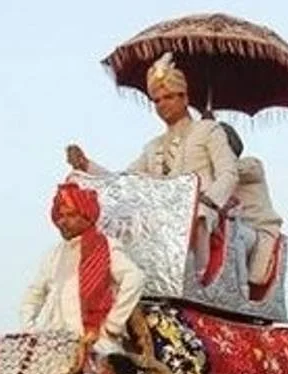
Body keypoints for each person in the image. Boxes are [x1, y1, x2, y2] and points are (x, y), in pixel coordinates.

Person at [67, 51, 239, 269]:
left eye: (169, 97)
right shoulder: (153, 147)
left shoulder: (207, 130)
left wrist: (210, 199)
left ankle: (197, 272)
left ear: (185, 98)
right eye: (157, 100)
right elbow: (124, 181)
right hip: (162, 214)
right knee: (119, 220)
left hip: (203, 209)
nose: (162, 105)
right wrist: (87, 166)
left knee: (197, 216)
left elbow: (229, 173)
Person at [19, 182, 145, 357]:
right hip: (54, 341)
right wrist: (29, 329)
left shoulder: (106, 246)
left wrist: (112, 325)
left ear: (86, 216)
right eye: (60, 216)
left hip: (95, 341)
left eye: (70, 215)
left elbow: (134, 278)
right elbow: (35, 293)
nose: (63, 222)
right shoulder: (55, 254)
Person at [219, 123, 285, 290]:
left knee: (235, 235)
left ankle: (241, 290)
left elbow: (233, 172)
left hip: (258, 230)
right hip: (229, 225)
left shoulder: (251, 165)